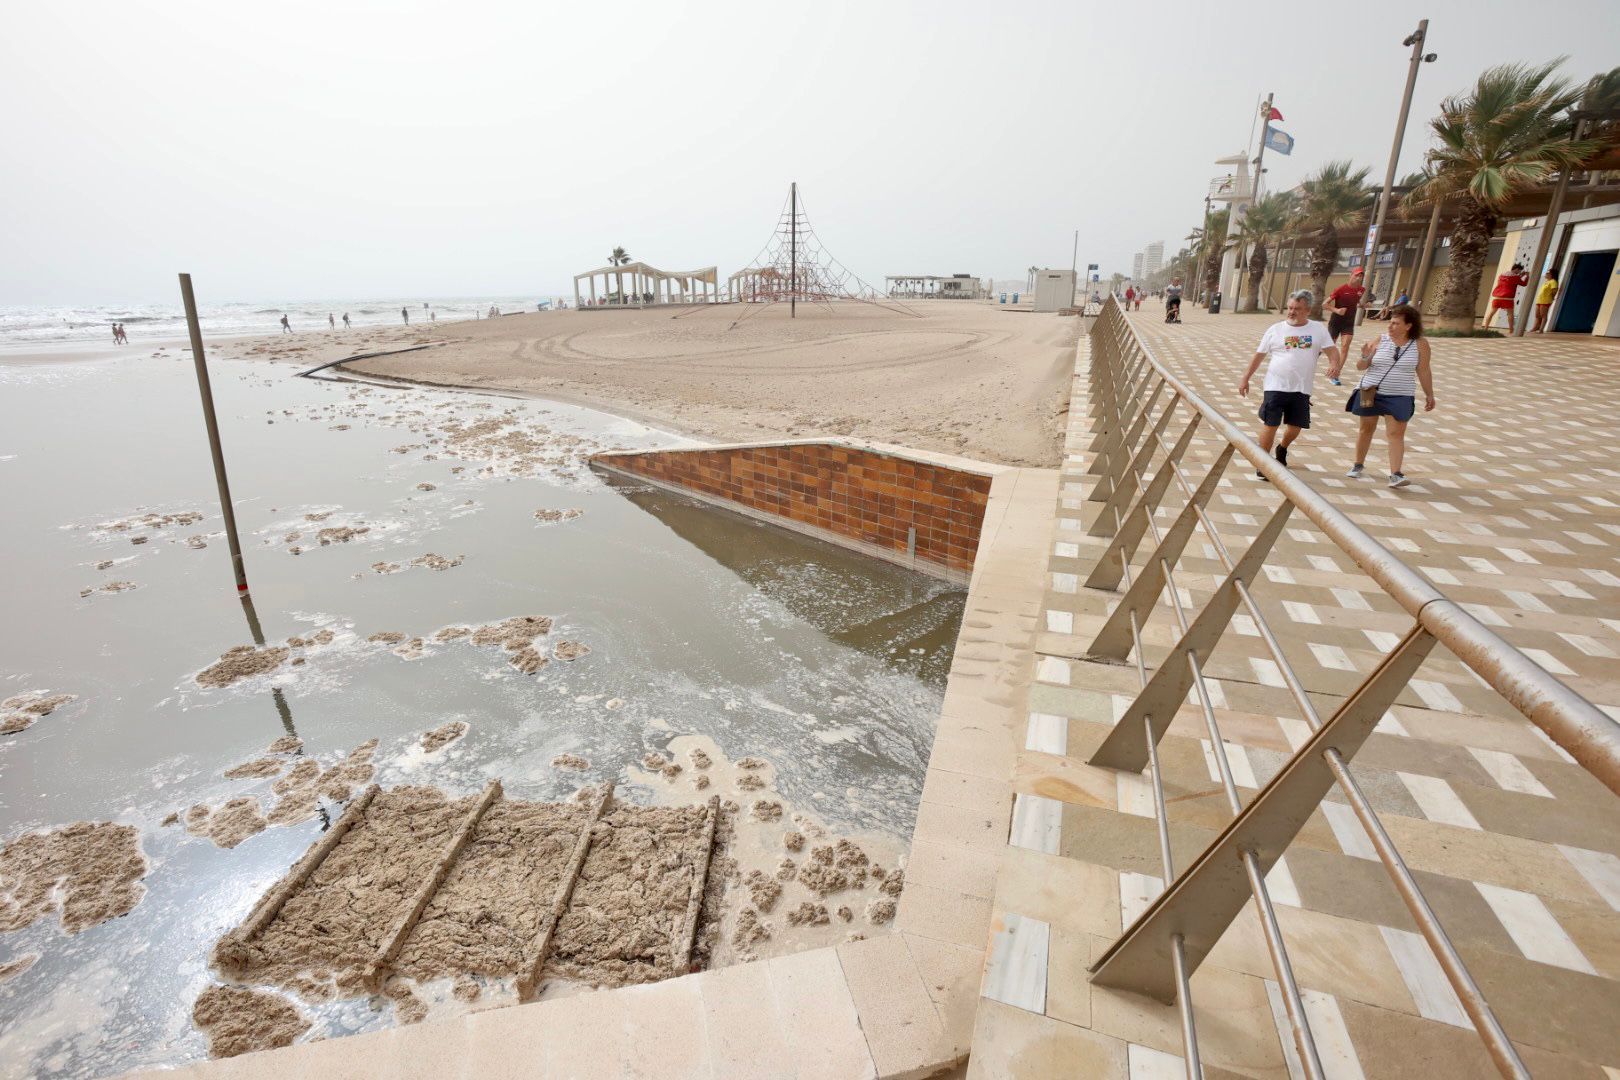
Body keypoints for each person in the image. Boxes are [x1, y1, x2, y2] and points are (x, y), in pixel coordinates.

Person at [1237, 289, 1343, 478]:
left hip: (1301, 388)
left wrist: (1334, 364)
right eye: (1290, 307)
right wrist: (1245, 378)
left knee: (1295, 427)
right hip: (1275, 386)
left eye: (1297, 309)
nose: (1292, 312)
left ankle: (1283, 447)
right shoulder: (1275, 330)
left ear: (1307, 311)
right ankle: (1263, 463)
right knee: (1271, 424)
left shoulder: (1318, 329)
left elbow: (1332, 351)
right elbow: (1258, 356)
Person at [1345, 303, 1434, 488]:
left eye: (1395, 323)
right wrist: (1365, 356)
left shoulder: (1420, 344)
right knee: (1366, 429)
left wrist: (1429, 395)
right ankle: (1358, 464)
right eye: (1390, 322)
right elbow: (1360, 367)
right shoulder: (1381, 340)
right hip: (1370, 391)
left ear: (1408, 326)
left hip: (1400, 395)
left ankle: (1395, 474)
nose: (1390, 326)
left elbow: (1424, 370)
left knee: (1395, 433)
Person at [1325, 268, 1365, 386]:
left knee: (1345, 347)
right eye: (1356, 275)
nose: (1358, 278)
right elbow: (1324, 304)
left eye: (1361, 276)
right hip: (1336, 321)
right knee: (1328, 347)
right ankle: (1320, 357)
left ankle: (1336, 374)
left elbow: (1355, 301)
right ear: (1351, 275)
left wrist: (1362, 305)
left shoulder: (1361, 290)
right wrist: (1336, 310)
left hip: (1348, 322)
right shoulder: (1340, 289)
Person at [1486, 262, 1528, 330]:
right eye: (1519, 271)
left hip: (1497, 297)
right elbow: (1523, 283)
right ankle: (1511, 329)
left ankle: (1486, 327)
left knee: (1491, 313)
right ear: (1517, 269)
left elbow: (1511, 280)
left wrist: (1520, 276)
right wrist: (1527, 276)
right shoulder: (1516, 277)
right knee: (1510, 314)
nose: (1519, 272)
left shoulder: (1501, 275)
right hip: (1508, 298)